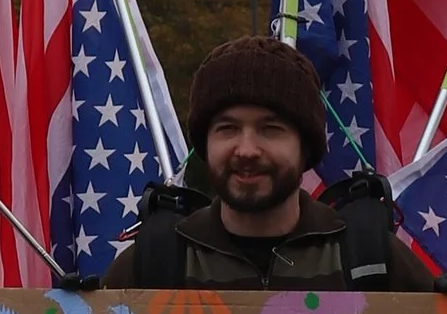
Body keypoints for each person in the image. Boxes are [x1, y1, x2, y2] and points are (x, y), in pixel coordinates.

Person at [105, 36, 429, 290]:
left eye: (270, 130)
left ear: (306, 148)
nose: (246, 150)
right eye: (228, 129)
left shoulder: (369, 256)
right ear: (204, 144)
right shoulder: (156, 263)